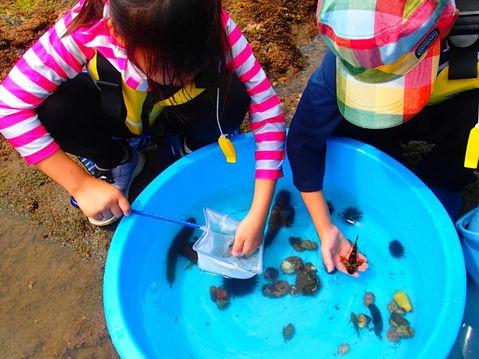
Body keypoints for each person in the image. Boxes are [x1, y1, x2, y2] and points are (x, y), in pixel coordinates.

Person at [0, 0, 286, 257]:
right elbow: (9, 107)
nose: (185, 75)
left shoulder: (213, 26)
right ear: (117, 32)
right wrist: (80, 184)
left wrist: (259, 212)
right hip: (120, 115)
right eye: (170, 65)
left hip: (182, 114)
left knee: (236, 92)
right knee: (53, 106)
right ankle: (116, 159)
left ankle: (189, 153)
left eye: (195, 63)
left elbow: (268, 109)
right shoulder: (86, 29)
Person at [287, 0, 476, 275]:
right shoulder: (353, 56)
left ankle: (443, 180)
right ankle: (384, 153)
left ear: (446, 24)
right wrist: (325, 228)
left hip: (455, 107)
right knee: (340, 120)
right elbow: (303, 140)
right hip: (387, 118)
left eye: (392, 72)